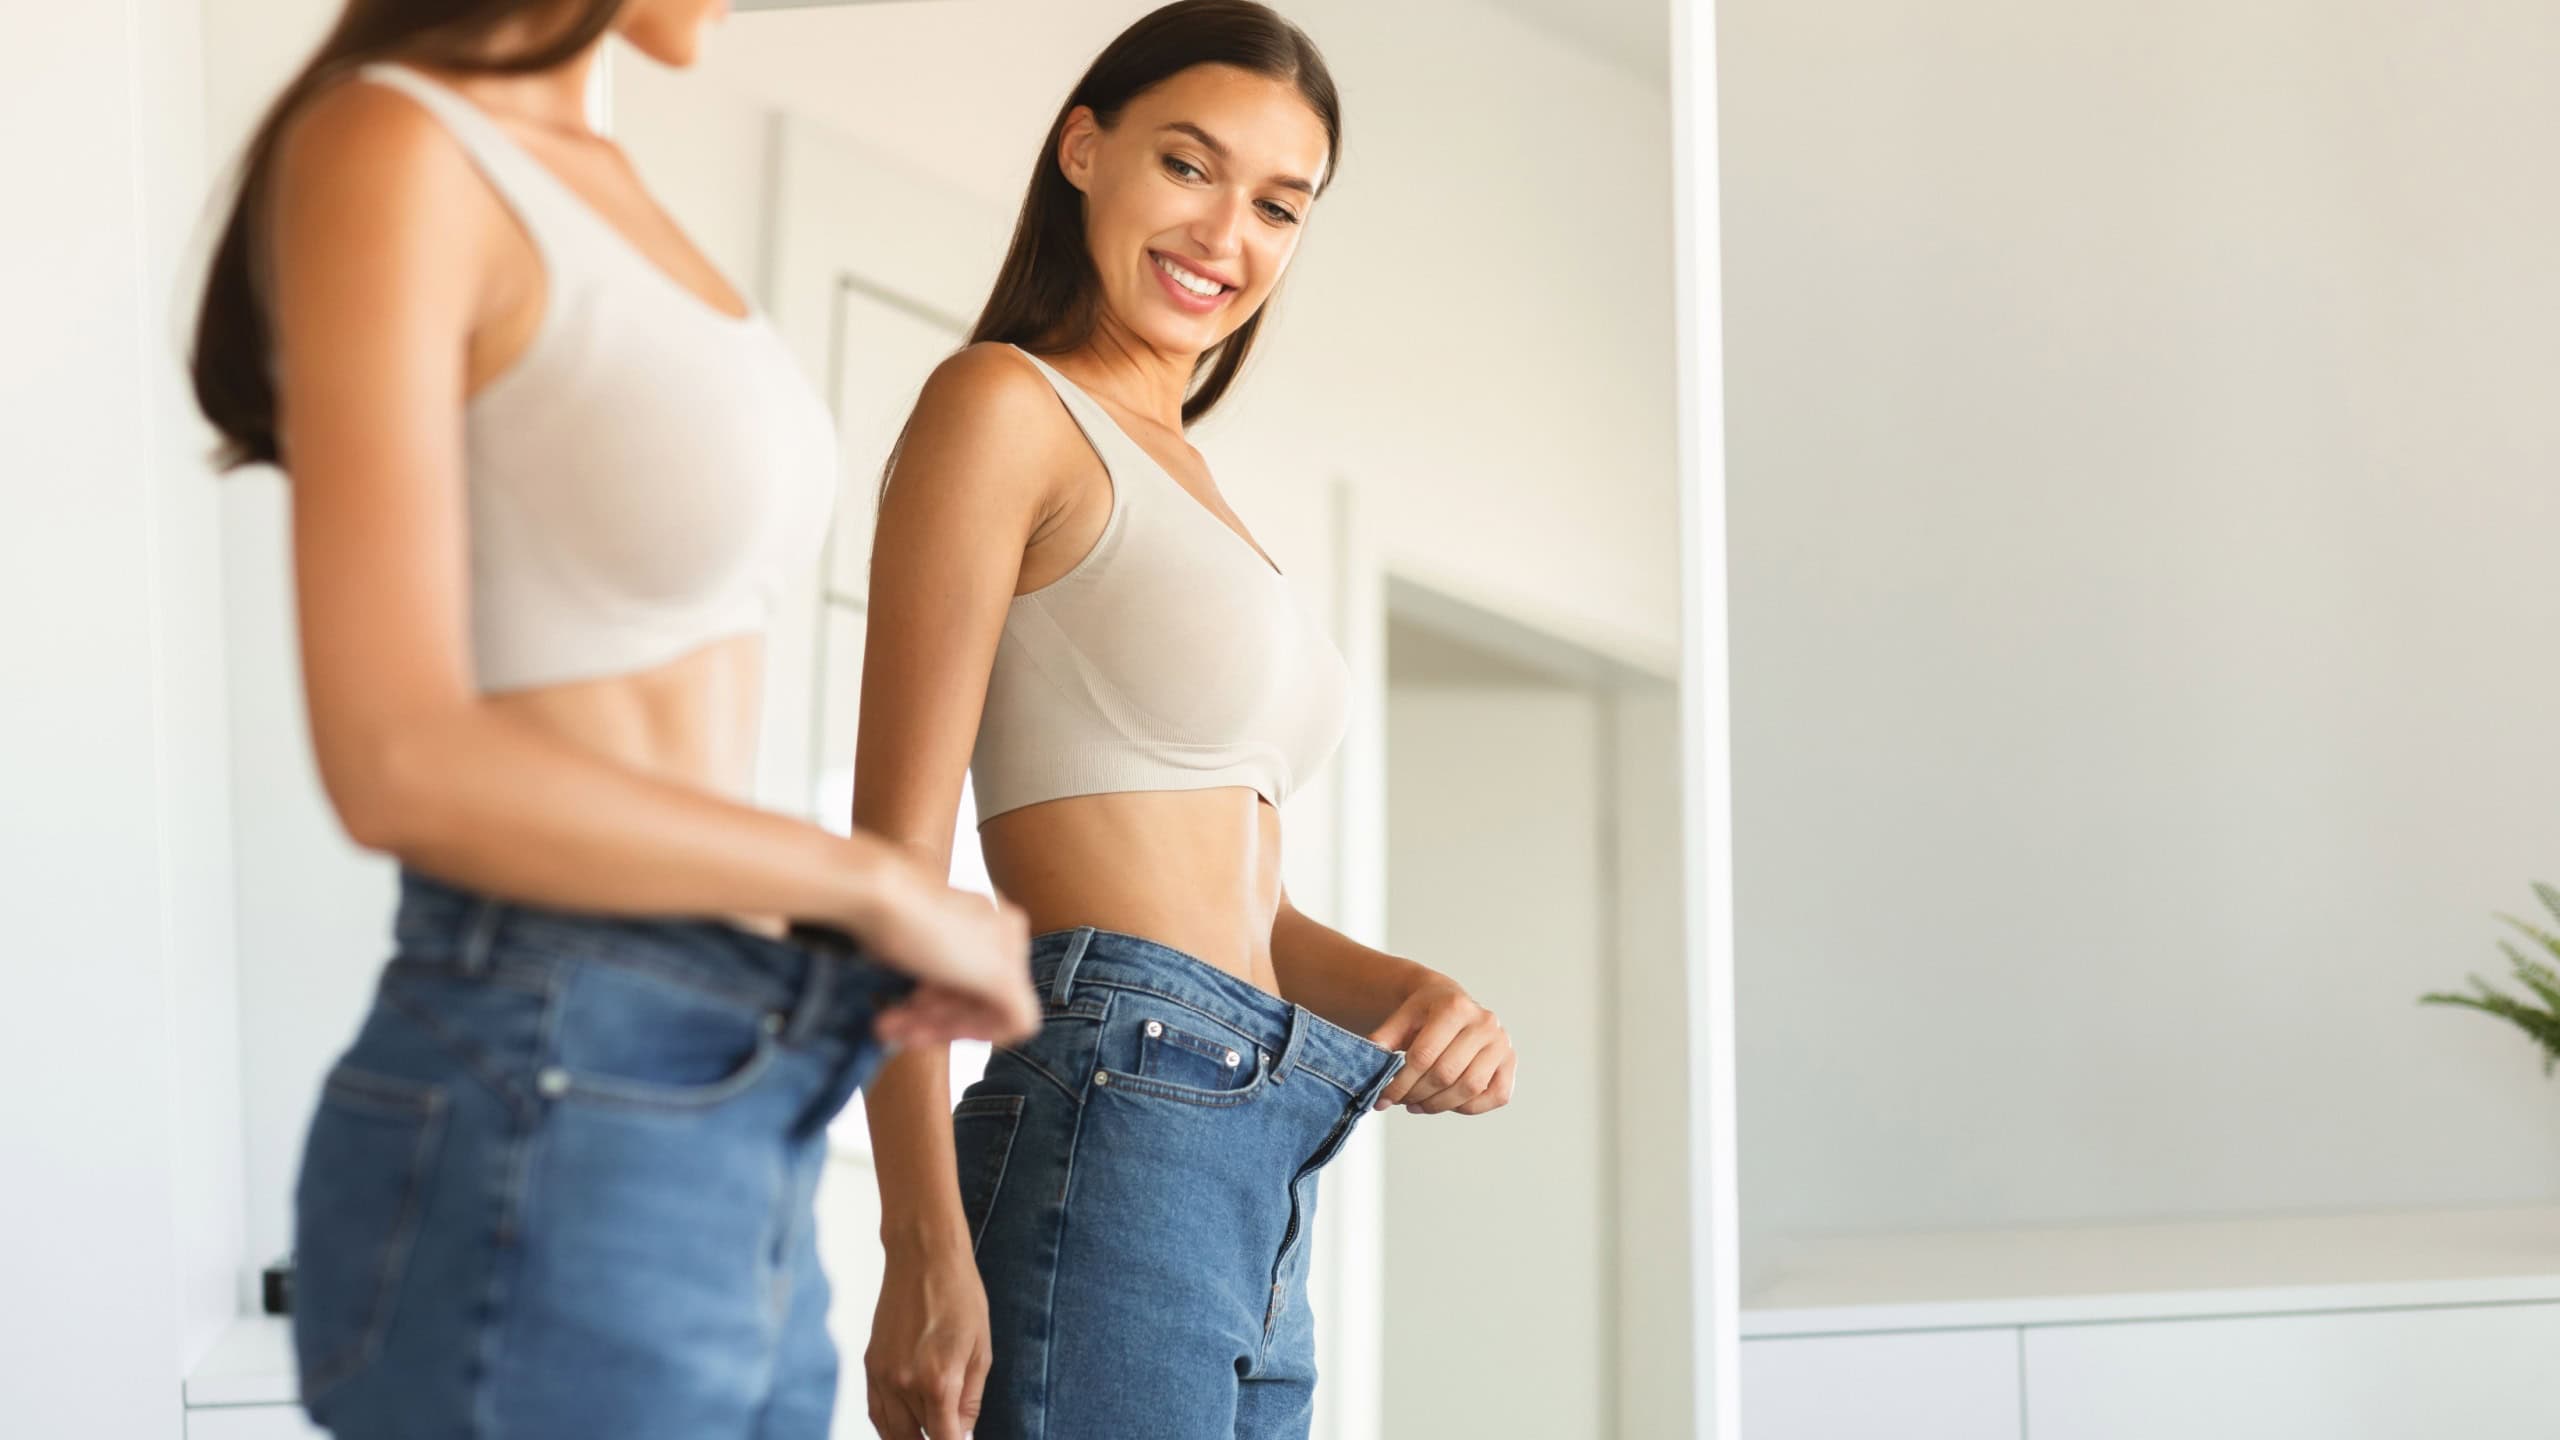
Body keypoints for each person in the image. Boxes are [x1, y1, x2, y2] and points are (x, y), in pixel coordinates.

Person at [185, 2, 1040, 1434]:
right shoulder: (394, 143)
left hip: (739, 1093)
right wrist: (876, 883)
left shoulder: (618, 186)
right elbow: (395, 761)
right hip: (552, 1072)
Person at [851, 5, 1519, 1437]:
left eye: (1281, 204)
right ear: (1084, 150)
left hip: (1263, 1143)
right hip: (1121, 1103)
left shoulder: (1198, 485)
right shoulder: (1006, 407)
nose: (1228, 232)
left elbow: (1246, 917)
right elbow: (890, 870)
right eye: (1189, 166)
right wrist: (919, 1247)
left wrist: (1411, 995)